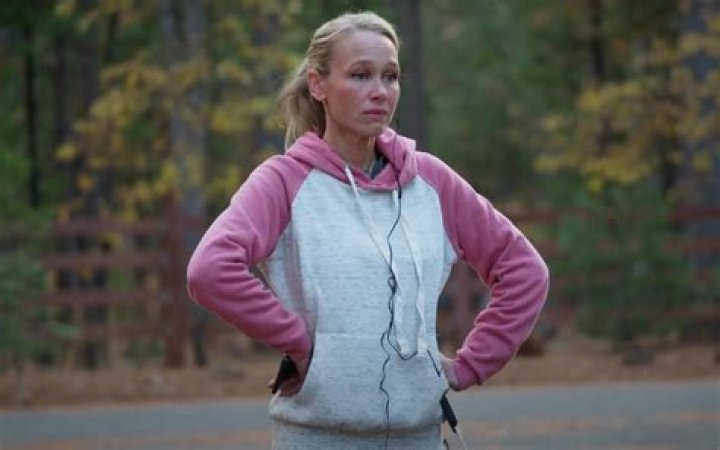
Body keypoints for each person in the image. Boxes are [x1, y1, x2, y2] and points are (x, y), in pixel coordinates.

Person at [187, 11, 549, 450]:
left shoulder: (430, 182)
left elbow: (524, 270)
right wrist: (300, 344)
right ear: (318, 85)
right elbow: (210, 270)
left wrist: (471, 364)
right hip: (315, 439)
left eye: (390, 76)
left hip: (419, 438)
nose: (380, 91)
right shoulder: (283, 182)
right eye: (360, 75)